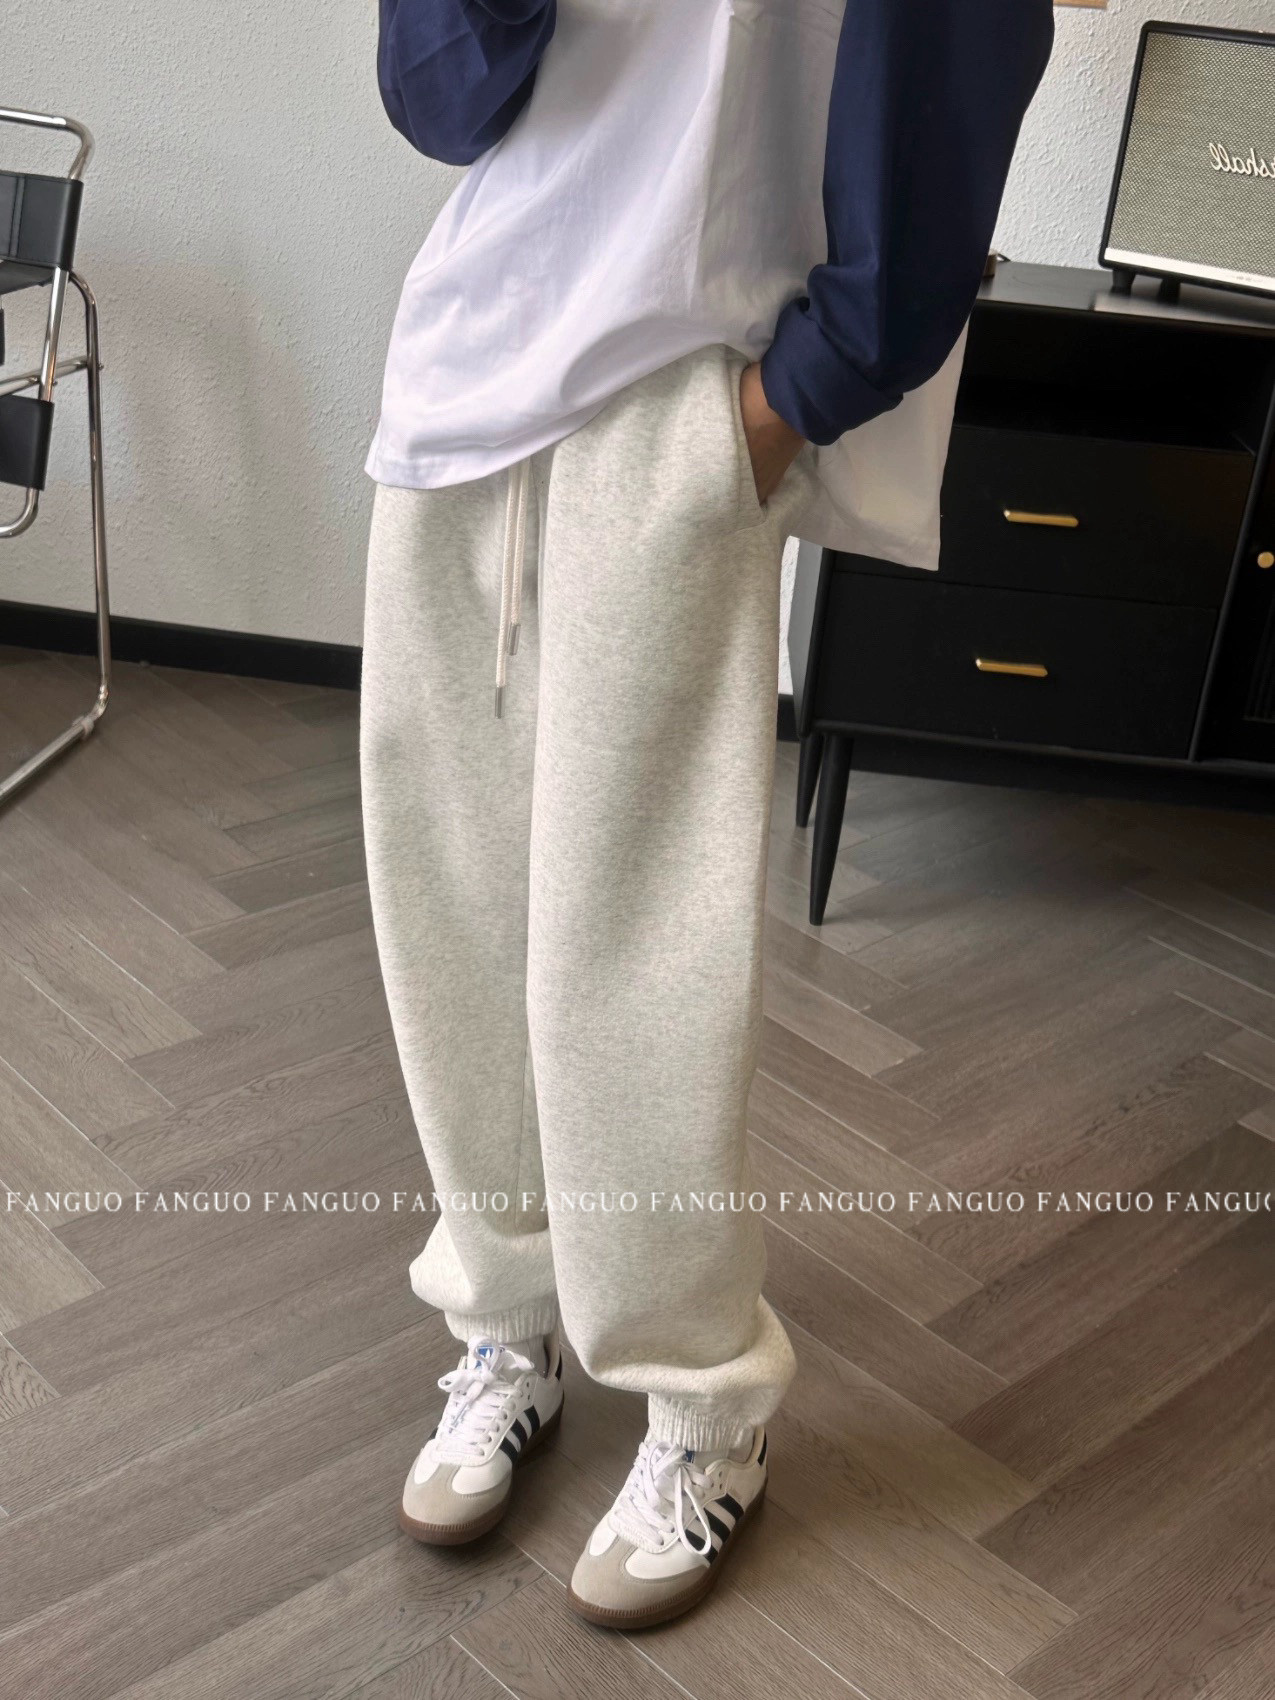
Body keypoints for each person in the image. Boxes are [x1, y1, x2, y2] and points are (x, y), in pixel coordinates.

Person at [361, 0, 1053, 1629]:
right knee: (451, 902)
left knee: (634, 940)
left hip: (677, 400)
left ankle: (704, 1402)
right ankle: (506, 1322)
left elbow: (958, 66)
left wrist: (793, 397)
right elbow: (438, 101)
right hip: (459, 370)